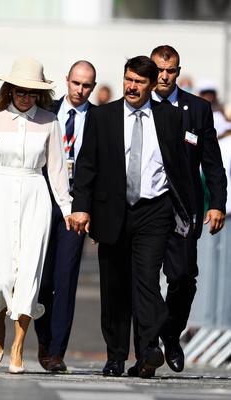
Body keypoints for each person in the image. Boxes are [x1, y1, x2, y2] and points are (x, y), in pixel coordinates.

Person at [70, 55, 196, 378]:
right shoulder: (104, 117)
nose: (132, 86)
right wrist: (81, 207)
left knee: (146, 281)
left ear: (152, 85)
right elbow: (86, 166)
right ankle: (115, 356)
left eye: (139, 82)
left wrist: (186, 211)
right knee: (114, 287)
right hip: (113, 210)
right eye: (128, 79)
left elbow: (180, 169)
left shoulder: (168, 118)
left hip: (154, 210)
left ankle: (147, 352)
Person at [0, 57, 71, 374]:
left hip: (35, 196)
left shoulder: (50, 122)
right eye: (20, 91)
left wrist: (67, 209)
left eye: (31, 92)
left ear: (39, 94)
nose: (25, 97)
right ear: (9, 90)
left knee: (28, 275)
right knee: (1, 275)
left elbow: (56, 170)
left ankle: (18, 345)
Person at [136, 45, 226, 374]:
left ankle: (171, 334)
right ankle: (147, 349)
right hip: (146, 208)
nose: (163, 75)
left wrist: (217, 203)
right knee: (144, 279)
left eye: (170, 70)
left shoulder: (197, 109)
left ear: (177, 71)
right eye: (158, 69)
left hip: (183, 210)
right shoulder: (137, 106)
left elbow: (212, 164)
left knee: (183, 277)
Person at [34, 60, 96, 372]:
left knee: (66, 278)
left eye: (86, 86)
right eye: (76, 83)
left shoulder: (99, 119)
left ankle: (57, 351)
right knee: (41, 281)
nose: (80, 90)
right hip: (43, 203)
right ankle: (44, 338)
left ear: (93, 87)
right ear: (67, 81)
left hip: (77, 208)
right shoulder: (47, 114)